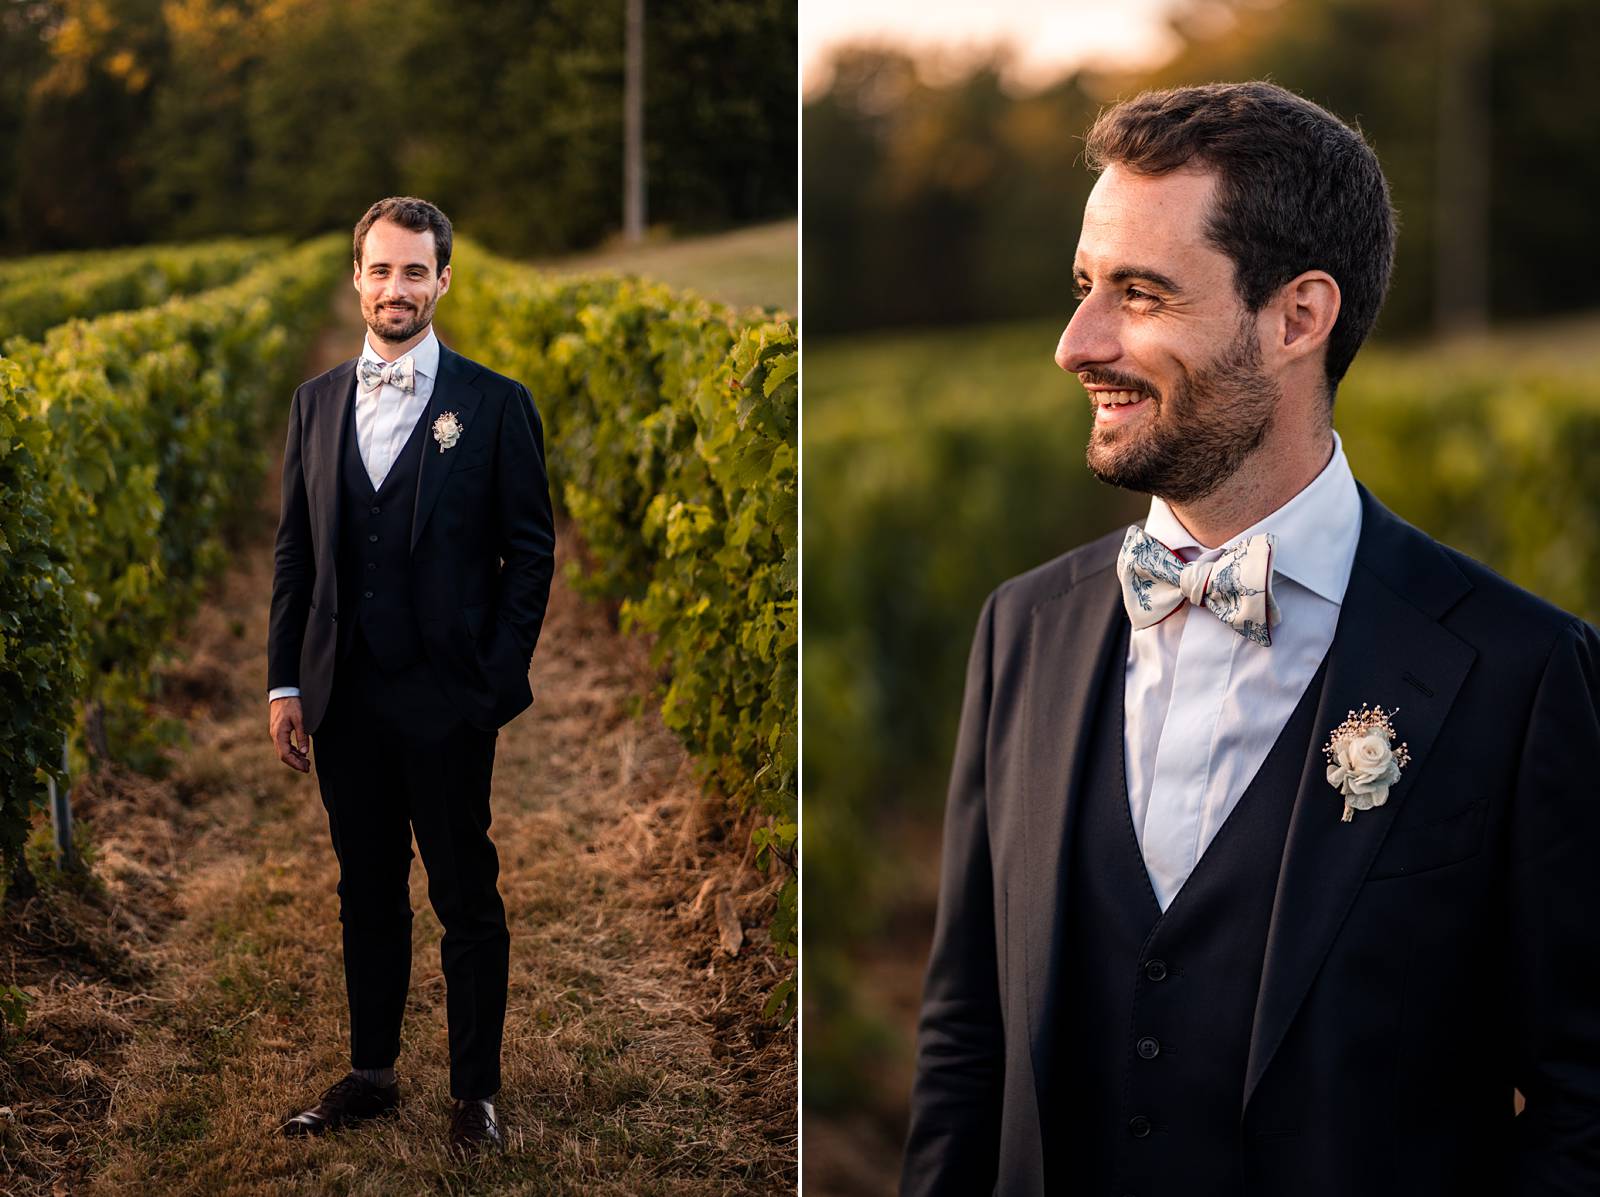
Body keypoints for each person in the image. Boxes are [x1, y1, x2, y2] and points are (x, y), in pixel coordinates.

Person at [900, 82, 1600, 1196]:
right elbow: (964, 1044)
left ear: (1296, 318)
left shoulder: (1517, 671)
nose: (1074, 344)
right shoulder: (1020, 630)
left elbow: (1585, 1100)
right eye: (1084, 287)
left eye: (1139, 294)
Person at [265, 196, 555, 1156]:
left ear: (443, 281)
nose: (397, 288)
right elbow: (294, 555)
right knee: (366, 887)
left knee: (465, 892)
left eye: (415, 271)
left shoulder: (496, 403)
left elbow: (530, 553)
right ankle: (372, 1071)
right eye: (381, 270)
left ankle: (474, 1091)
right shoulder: (313, 404)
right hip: (344, 693)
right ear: (357, 278)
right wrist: (284, 684)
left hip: (448, 696)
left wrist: (495, 680)